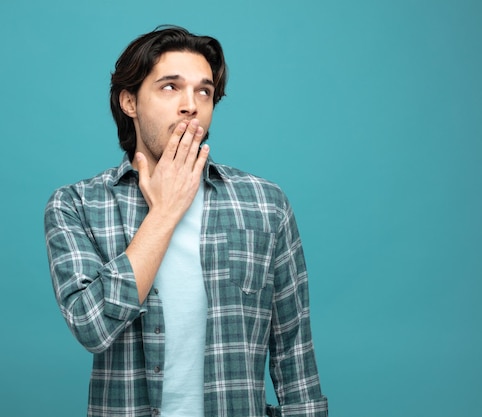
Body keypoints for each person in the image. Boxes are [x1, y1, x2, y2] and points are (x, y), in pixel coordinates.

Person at [44, 25, 328, 417]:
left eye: (204, 91)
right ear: (130, 101)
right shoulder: (76, 205)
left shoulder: (266, 204)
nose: (190, 105)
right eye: (169, 87)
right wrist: (164, 212)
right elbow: (92, 327)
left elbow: (294, 355)